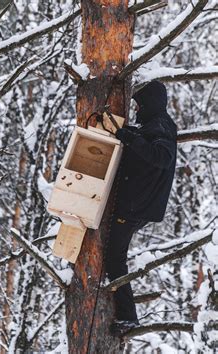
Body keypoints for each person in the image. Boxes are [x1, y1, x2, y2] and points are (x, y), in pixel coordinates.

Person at [107, 81, 177, 335]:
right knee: (113, 258)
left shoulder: (161, 126)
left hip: (135, 207)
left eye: (139, 105)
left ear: (149, 104)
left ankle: (127, 317)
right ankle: (125, 314)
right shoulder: (155, 125)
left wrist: (129, 137)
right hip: (135, 204)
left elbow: (161, 156)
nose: (136, 110)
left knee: (114, 261)